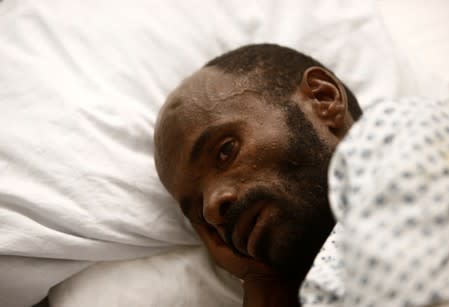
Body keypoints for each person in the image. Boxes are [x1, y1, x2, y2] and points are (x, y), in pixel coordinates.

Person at [154, 44, 449, 307]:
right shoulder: (322, 287)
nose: (211, 208)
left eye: (225, 151)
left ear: (323, 99)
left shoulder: (404, 135)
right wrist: (262, 281)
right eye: (197, 211)